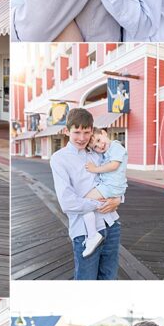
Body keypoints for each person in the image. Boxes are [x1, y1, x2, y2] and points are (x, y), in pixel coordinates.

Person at [50, 108, 123, 279]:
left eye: (86, 132)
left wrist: (118, 199)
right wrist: (99, 204)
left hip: (111, 224)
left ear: (92, 131)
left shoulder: (98, 153)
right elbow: (67, 202)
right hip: (84, 231)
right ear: (67, 131)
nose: (82, 138)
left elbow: (115, 179)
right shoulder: (59, 159)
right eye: (77, 132)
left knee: (109, 279)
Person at [80, 128, 127, 257]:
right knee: (92, 201)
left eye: (99, 140)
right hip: (111, 186)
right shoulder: (107, 151)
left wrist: (95, 169)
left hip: (111, 187)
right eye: (95, 146)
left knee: (85, 201)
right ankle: (94, 231)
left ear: (104, 133)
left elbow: (114, 166)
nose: (100, 145)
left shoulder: (116, 146)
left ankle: (92, 235)